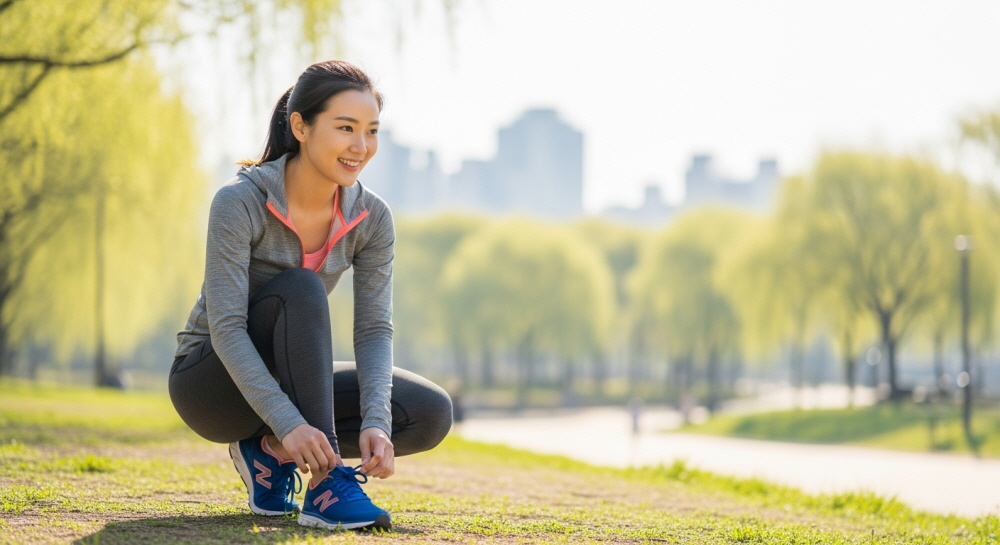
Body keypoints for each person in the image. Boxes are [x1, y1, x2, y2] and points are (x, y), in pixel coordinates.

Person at [168, 60, 453, 531]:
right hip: (210, 385)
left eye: (371, 131)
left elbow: (374, 328)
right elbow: (226, 328)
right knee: (300, 287)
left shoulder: (371, 218)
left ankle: (268, 456)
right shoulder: (240, 202)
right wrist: (289, 420)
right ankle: (324, 483)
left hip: (291, 385)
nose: (360, 147)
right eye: (345, 128)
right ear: (300, 126)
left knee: (427, 412)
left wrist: (376, 421)